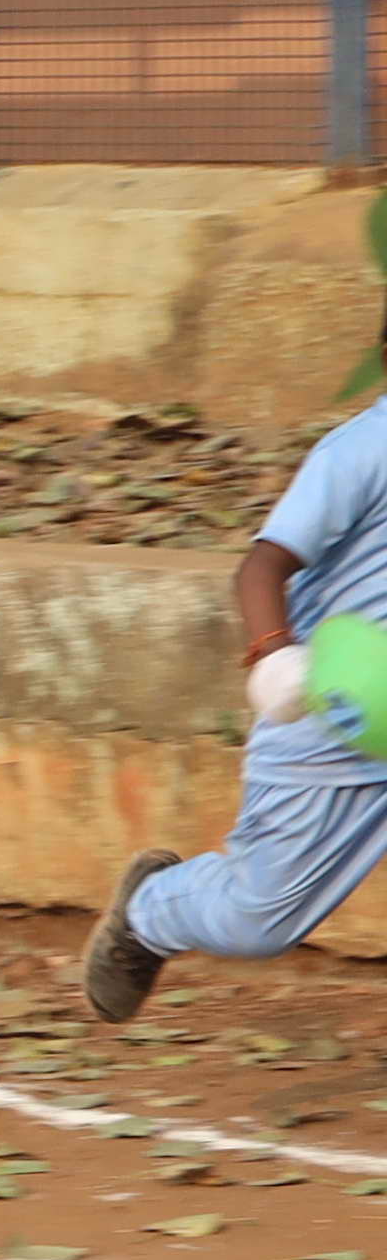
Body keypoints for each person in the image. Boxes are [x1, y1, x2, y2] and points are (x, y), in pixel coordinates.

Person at [85, 368, 387, 1020]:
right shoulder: (363, 450)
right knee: (259, 920)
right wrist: (276, 656)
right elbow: (262, 566)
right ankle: (151, 911)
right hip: (330, 730)